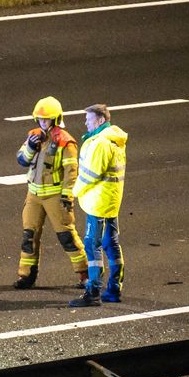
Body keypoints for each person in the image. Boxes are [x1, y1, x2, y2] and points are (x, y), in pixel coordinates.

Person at [13, 96, 88, 290]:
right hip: (34, 195)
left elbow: (72, 173)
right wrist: (30, 146)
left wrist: (67, 196)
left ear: (55, 119)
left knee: (66, 236)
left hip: (55, 196)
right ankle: (26, 276)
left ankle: (85, 274)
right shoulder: (34, 136)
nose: (42, 122)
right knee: (29, 236)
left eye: (46, 119)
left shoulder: (66, 142)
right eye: (40, 119)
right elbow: (21, 159)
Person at [69, 104, 129, 307]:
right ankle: (114, 288)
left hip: (98, 202)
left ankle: (93, 291)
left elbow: (90, 175)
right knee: (111, 243)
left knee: (92, 245)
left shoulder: (101, 143)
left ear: (101, 120)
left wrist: (73, 192)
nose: (85, 122)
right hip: (111, 200)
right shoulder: (114, 139)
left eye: (89, 118)